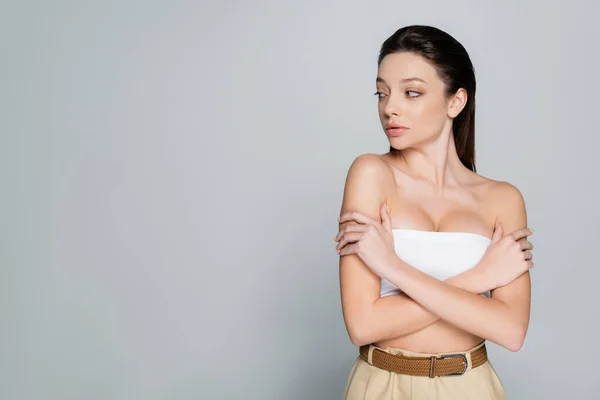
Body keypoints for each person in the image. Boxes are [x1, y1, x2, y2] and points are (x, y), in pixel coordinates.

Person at [334, 25, 534, 399]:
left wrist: (393, 268)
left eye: (411, 93)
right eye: (382, 93)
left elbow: (511, 330)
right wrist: (478, 279)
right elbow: (363, 325)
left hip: (471, 385)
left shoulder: (502, 199)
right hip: (383, 382)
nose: (389, 107)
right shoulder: (371, 174)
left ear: (455, 102)